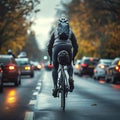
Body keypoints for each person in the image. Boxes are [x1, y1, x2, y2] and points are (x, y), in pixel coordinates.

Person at [47, 16, 78, 97]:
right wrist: (73, 58)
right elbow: (76, 46)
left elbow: (49, 46)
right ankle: (70, 77)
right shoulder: (71, 32)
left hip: (57, 48)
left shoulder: (54, 32)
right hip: (68, 47)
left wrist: (51, 58)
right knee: (69, 65)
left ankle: (55, 87)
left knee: (55, 68)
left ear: (59, 25)